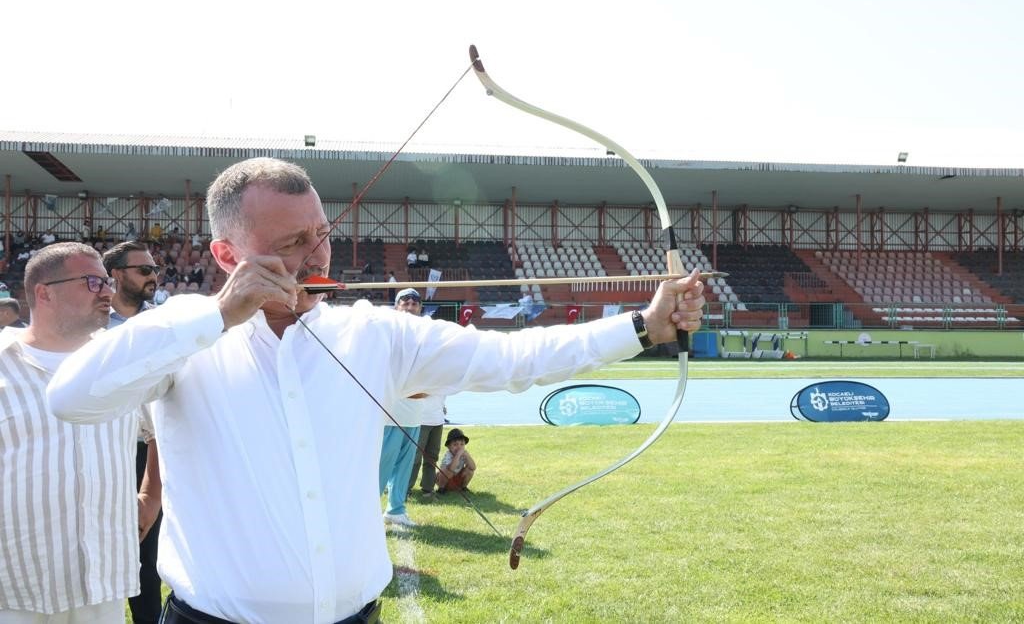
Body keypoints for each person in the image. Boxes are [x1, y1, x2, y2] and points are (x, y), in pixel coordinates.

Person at [47, 157, 705, 624]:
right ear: (228, 256)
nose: (317, 255)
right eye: (292, 242)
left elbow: (514, 357)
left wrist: (643, 327)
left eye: (322, 235)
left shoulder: (376, 333)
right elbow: (70, 397)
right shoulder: (185, 334)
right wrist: (219, 313)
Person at [0, 242, 157, 622]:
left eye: (106, 281)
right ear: (44, 292)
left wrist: (150, 496)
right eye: (92, 282)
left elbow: (161, 430)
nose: (108, 291)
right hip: (16, 581)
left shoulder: (123, 358)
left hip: (100, 579)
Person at [103, 240, 165, 624]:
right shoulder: (89, 324)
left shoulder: (162, 325)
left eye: (155, 268)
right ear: (116, 275)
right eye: (144, 269)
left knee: (148, 554)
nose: (153, 275)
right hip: (101, 445)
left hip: (149, 447)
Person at [378, 288, 426, 528]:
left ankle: (396, 509)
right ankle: (365, 511)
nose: (409, 305)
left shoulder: (426, 334)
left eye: (414, 302)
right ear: (396, 306)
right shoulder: (388, 333)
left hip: (415, 413)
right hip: (392, 412)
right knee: (382, 465)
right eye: (404, 301)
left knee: (404, 466)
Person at [436, 428, 475, 493]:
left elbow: (473, 467)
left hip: (457, 480)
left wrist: (467, 456)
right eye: (455, 444)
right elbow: (451, 468)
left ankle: (463, 487)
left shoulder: (464, 454)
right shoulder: (448, 455)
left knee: (470, 470)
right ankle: (441, 489)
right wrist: (458, 455)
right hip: (446, 481)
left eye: (462, 444)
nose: (459, 447)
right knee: (447, 471)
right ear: (448, 446)